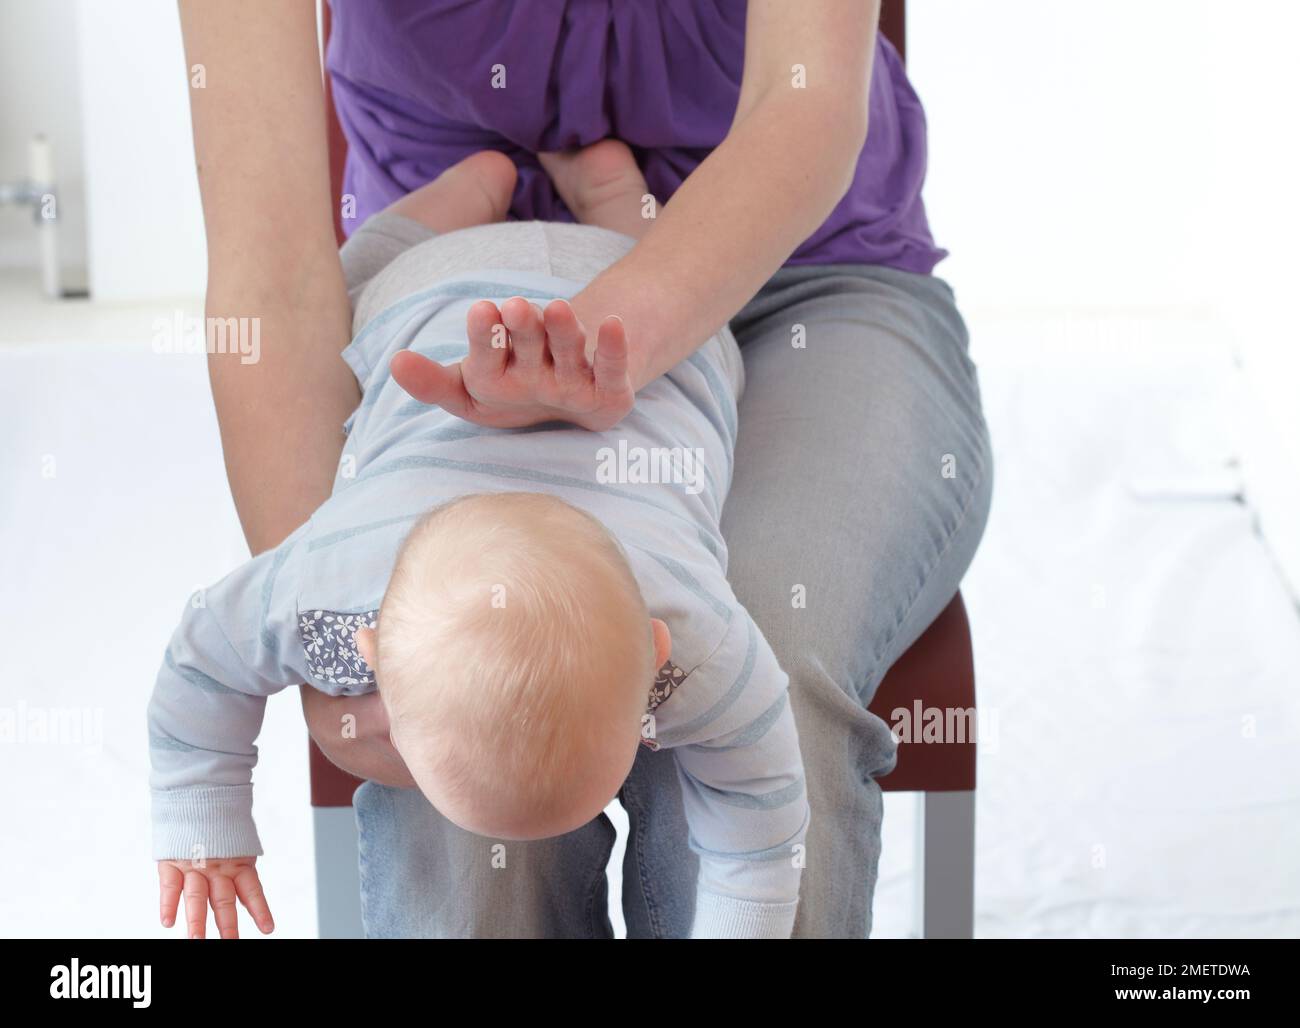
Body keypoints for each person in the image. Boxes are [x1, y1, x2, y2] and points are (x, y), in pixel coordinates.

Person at [178, 0, 992, 937]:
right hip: (452, 306)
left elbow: (800, 107)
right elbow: (269, 272)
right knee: (468, 656)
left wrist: (600, 352)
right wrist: (333, 612)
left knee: (760, 665)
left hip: (814, 288)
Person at [152, 150, 807, 940]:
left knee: (367, 294)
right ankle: (514, 189)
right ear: (367, 654)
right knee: (359, 288)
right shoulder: (327, 578)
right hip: (445, 292)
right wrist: (202, 817)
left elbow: (203, 659)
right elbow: (198, 655)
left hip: (647, 312)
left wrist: (203, 812)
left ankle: (538, 187)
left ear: (657, 653)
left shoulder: (706, 643)